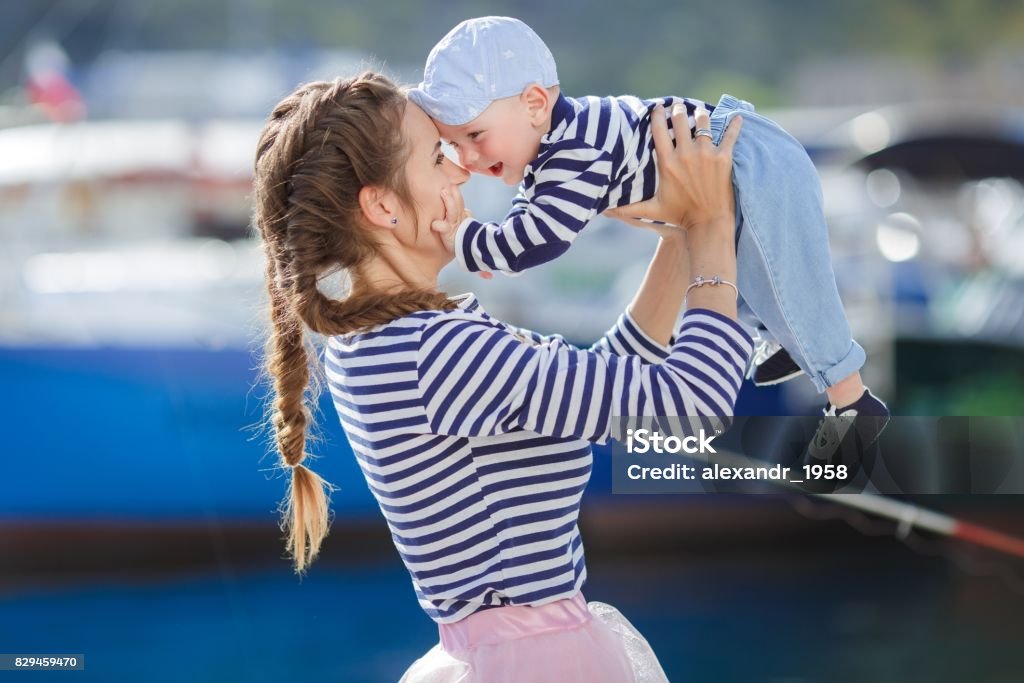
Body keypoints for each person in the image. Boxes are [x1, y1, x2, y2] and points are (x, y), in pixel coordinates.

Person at [253, 70, 748, 681]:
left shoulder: (377, 341)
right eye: (438, 156)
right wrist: (713, 227)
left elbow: (598, 387)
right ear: (381, 205)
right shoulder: (438, 350)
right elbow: (688, 409)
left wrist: (678, 239)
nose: (462, 169)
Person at [408, 16, 890, 464]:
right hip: (732, 156)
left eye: (474, 135)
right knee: (763, 274)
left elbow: (539, 239)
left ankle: (852, 405)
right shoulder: (557, 149)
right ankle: (787, 339)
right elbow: (529, 222)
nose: (467, 159)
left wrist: (466, 238)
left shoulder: (574, 155)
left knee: (794, 283)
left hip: (745, 159)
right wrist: (493, 246)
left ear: (535, 104)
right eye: (452, 144)